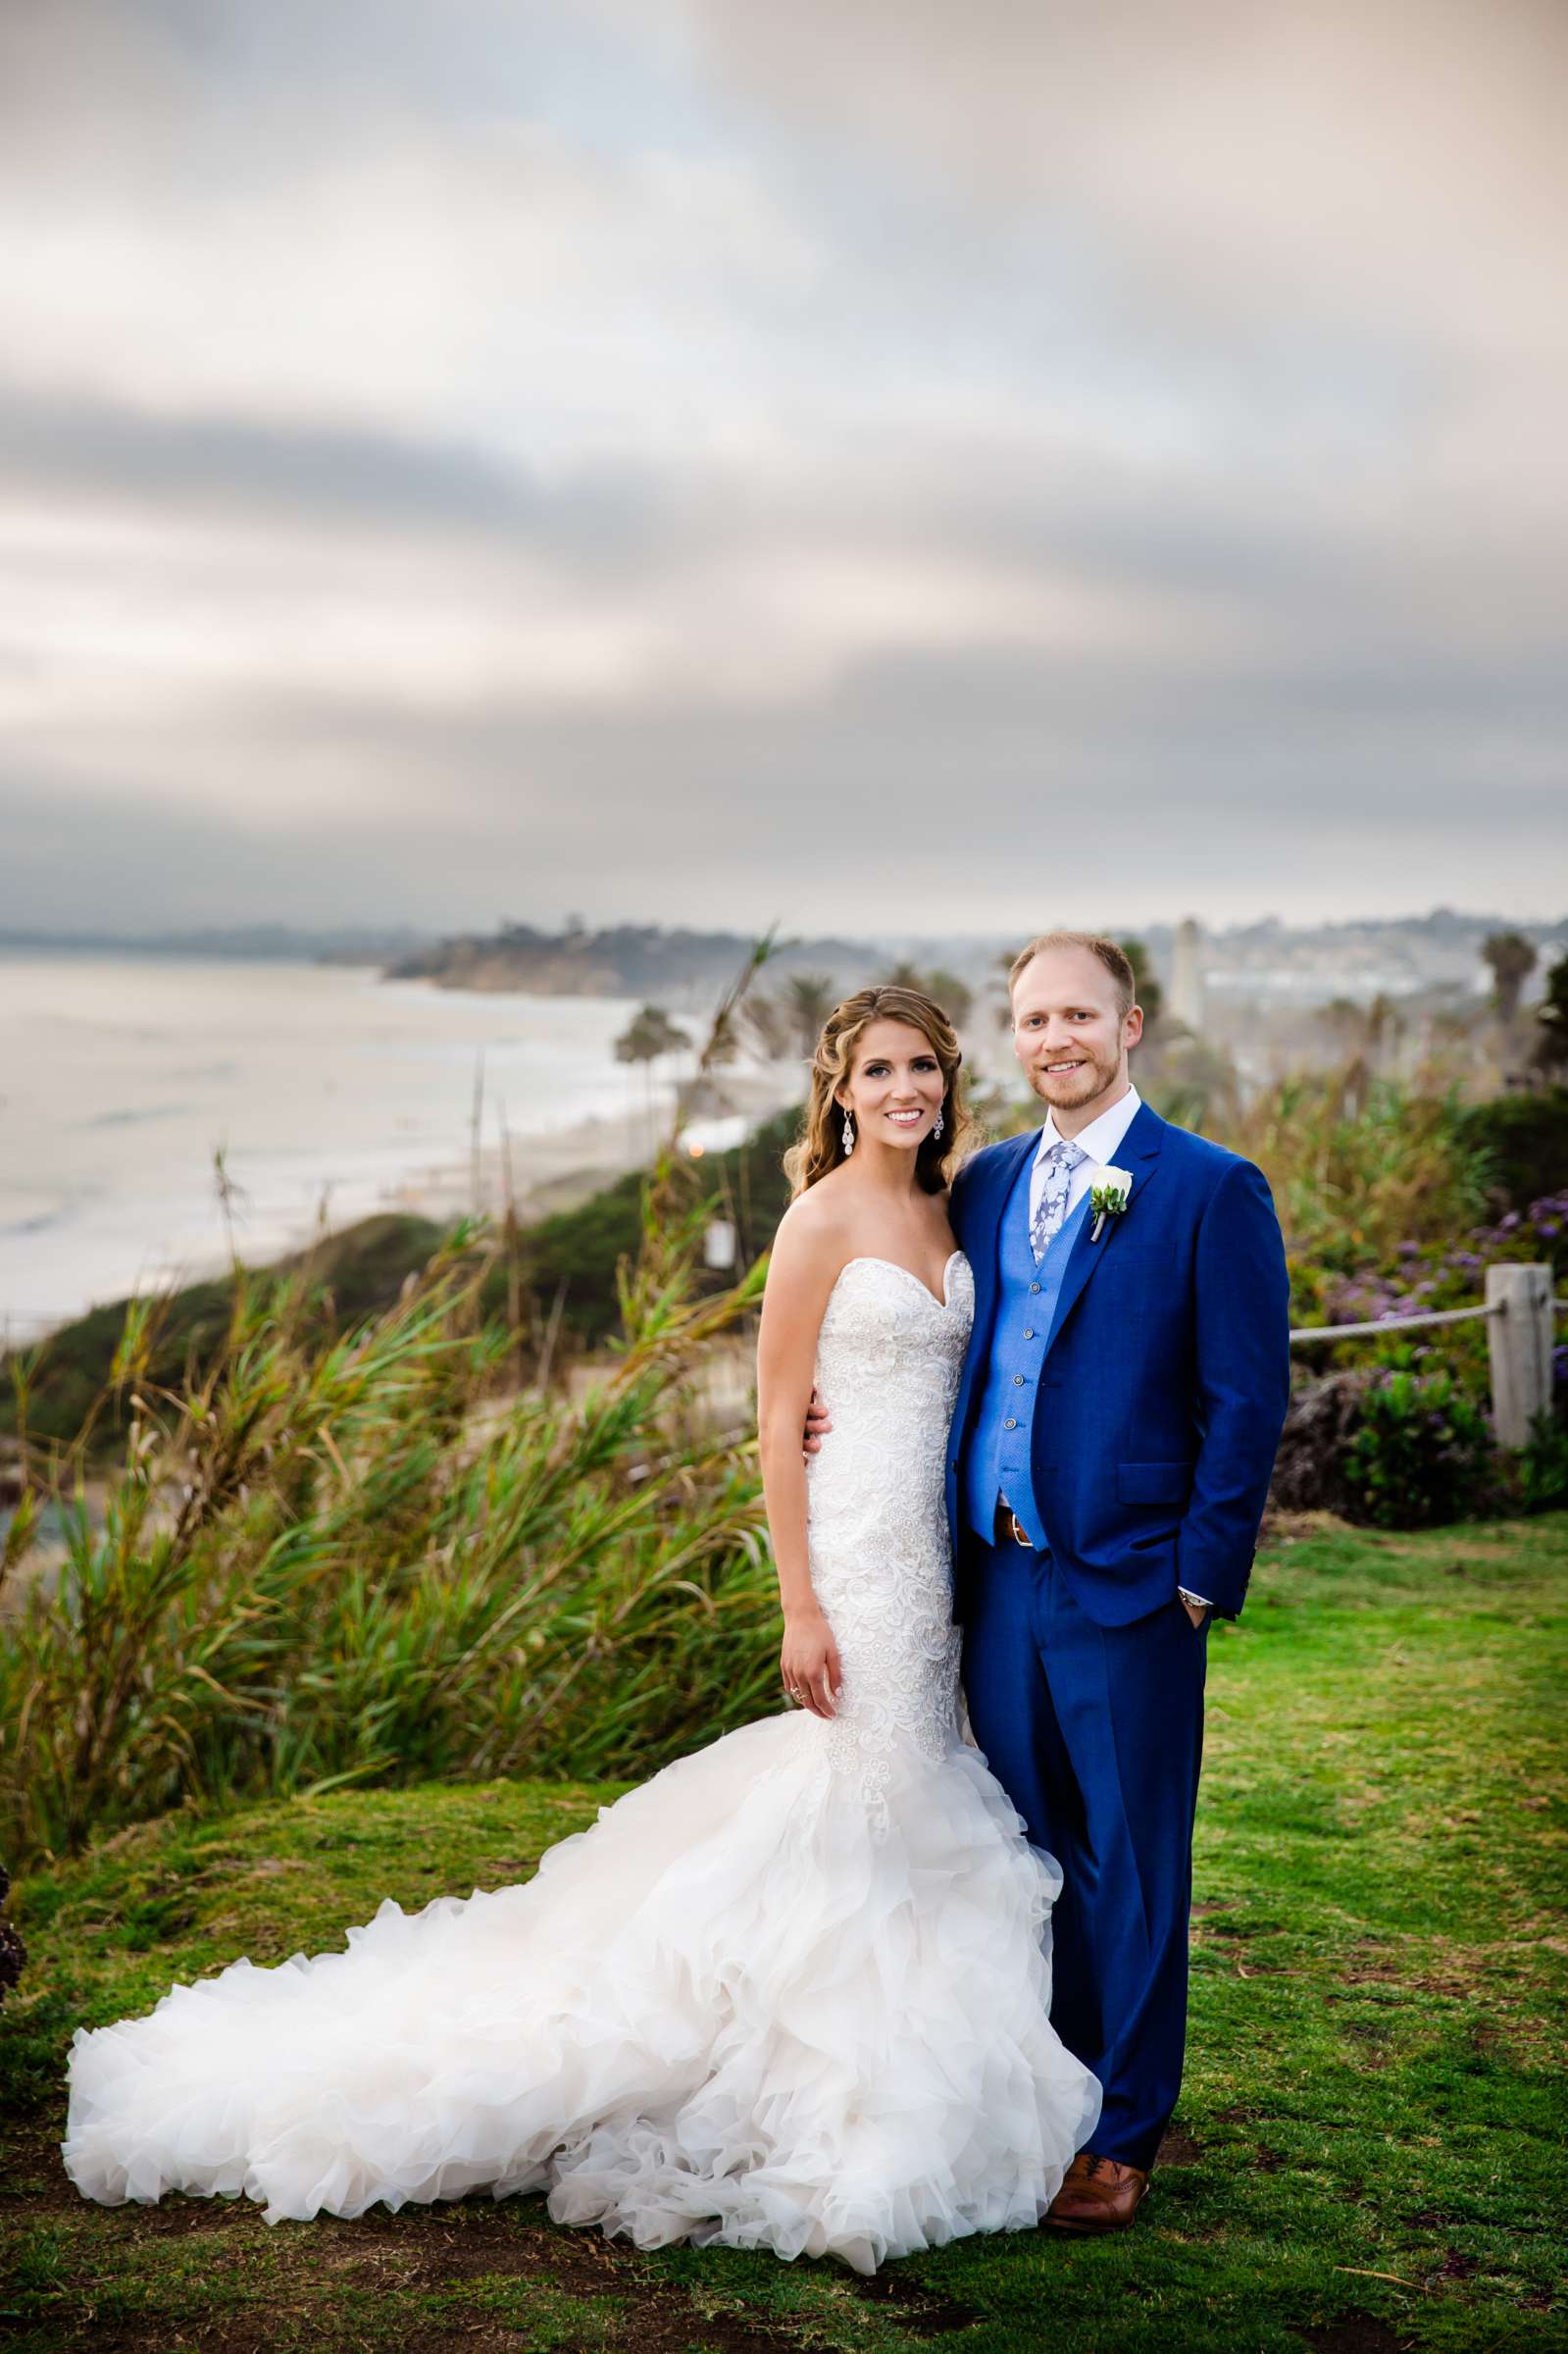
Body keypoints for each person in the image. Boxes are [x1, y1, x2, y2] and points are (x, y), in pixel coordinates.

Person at [63, 984, 1100, 2277]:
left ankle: (874, 2049)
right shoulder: (817, 1219)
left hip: (943, 1559)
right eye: (880, 1069)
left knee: (913, 1790)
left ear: (949, 1084)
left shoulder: (959, 1205)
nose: (906, 1090)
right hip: (855, 1557)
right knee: (868, 1782)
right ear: (838, 1090)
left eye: (926, 1069)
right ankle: (816, 2073)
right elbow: (777, 1422)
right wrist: (799, 1600)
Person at [807, 932, 1290, 2232]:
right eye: (1033, 1020)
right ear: (1013, 1039)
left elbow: (1247, 1398)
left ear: (1130, 1027)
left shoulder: (1207, 1187)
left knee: (1135, 1860)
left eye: (1080, 1015)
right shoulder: (988, 1182)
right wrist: (826, 1417)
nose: (1055, 1039)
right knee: (1025, 1855)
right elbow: (933, 1336)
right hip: (993, 1587)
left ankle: (1127, 2129)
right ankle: (1056, 2093)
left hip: (1131, 1585)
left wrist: (1198, 1577)